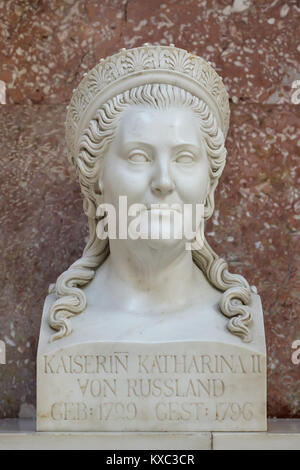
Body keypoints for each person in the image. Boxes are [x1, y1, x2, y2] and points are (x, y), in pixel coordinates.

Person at [47, 45, 253, 344]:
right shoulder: (64, 326)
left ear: (209, 184)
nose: (164, 182)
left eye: (183, 157)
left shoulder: (238, 323)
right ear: (96, 178)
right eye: (138, 157)